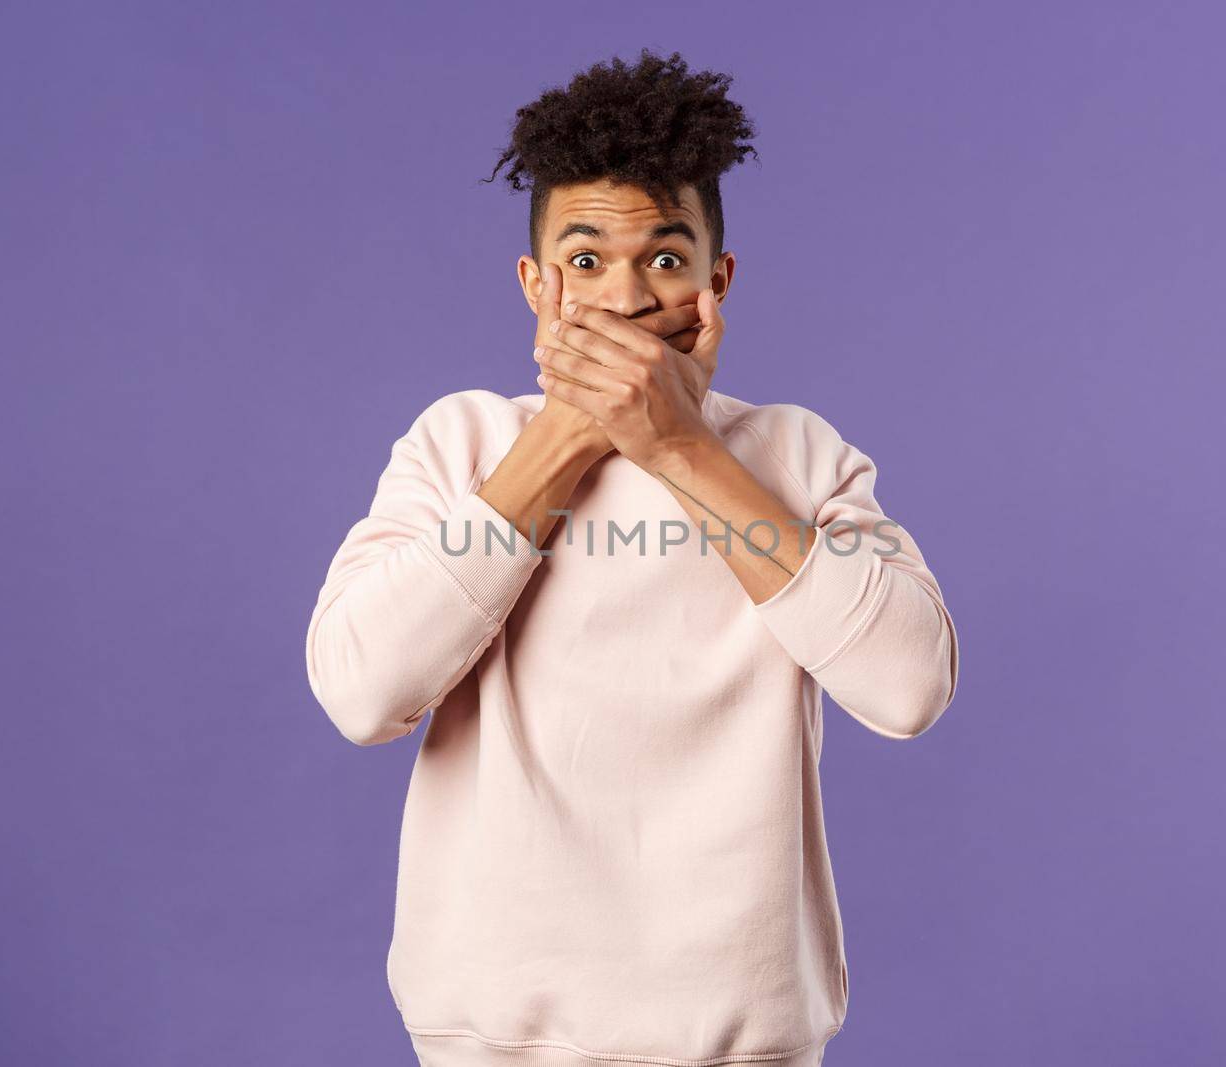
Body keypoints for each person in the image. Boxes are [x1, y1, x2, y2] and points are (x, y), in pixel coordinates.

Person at [304, 48, 960, 1067]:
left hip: (743, 1041)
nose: (623, 296)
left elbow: (908, 683)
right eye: (583, 261)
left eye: (663, 256)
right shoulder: (460, 444)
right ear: (534, 285)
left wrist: (679, 448)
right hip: (488, 1038)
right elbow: (361, 690)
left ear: (715, 279)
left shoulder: (796, 454)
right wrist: (564, 439)